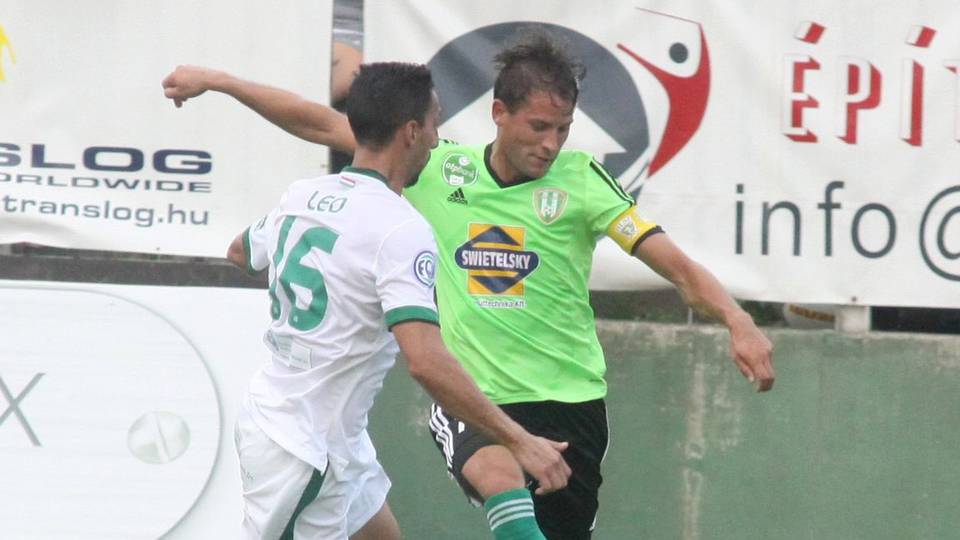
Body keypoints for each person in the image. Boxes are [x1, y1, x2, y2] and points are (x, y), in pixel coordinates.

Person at [163, 27, 775, 539]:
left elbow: (675, 265)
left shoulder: (583, 181)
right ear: (498, 113)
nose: (550, 143)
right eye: (539, 126)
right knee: (500, 475)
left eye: (563, 129)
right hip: (472, 397)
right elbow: (321, 123)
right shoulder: (437, 169)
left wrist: (737, 318)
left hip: (570, 399)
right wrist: (223, 81)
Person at [218, 62, 570, 540]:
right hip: (302, 447)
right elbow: (425, 362)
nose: (437, 138)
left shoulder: (304, 194)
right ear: (411, 132)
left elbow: (240, 252)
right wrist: (519, 440)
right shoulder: (400, 228)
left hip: (327, 432)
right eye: (434, 123)